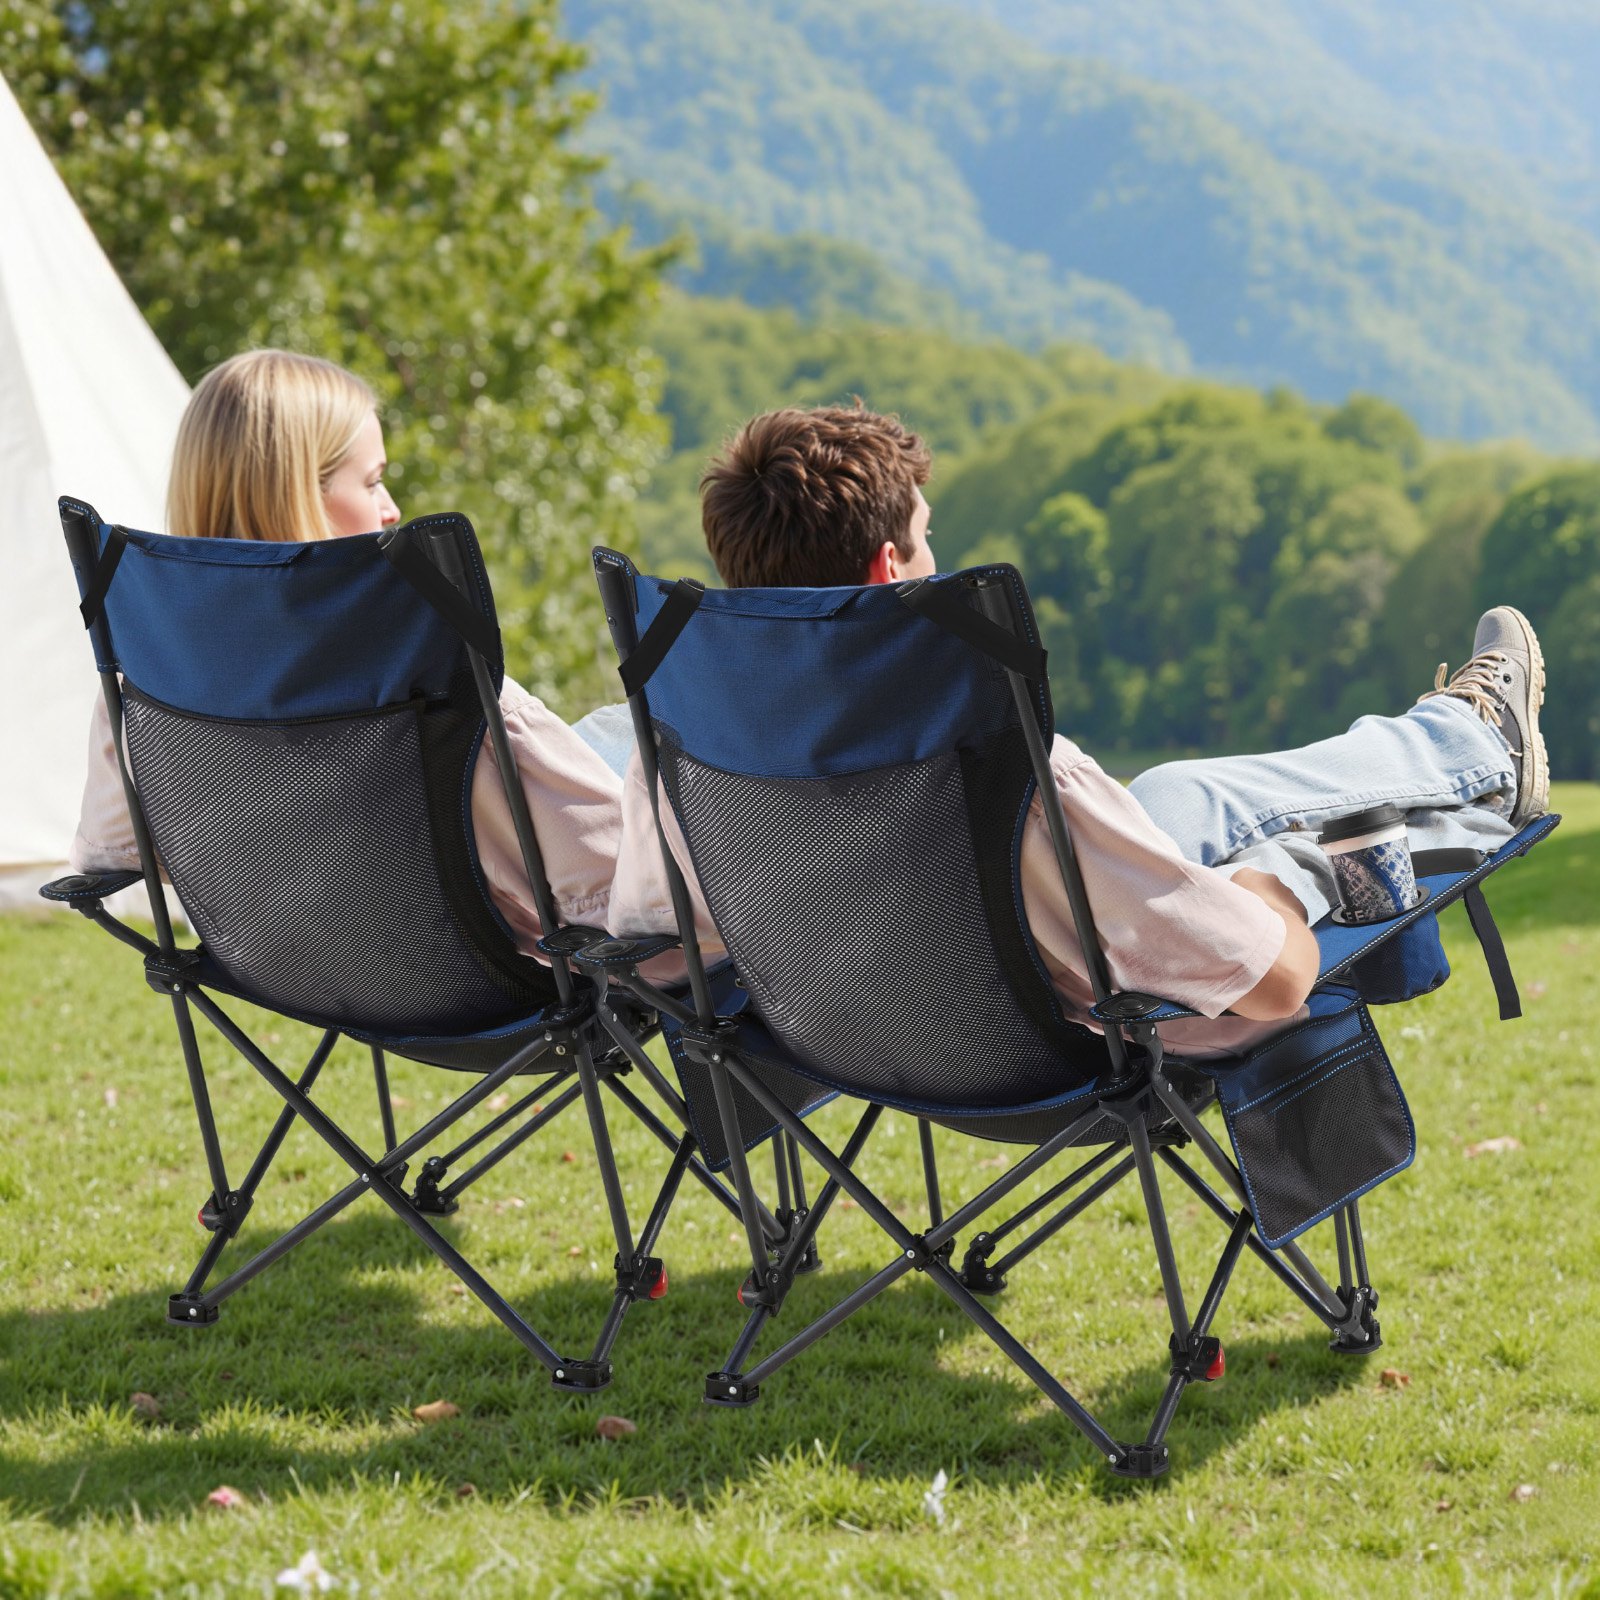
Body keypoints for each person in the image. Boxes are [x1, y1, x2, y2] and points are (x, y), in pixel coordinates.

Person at [606, 405, 1547, 1056]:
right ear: (892, 567)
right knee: (1252, 825)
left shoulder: (691, 744)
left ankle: (1454, 742)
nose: (941, 556)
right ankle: (1474, 747)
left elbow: (654, 941)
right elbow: (1274, 985)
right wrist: (1277, 887)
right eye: (931, 537)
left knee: (1186, 792)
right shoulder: (1001, 760)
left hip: (834, 1029)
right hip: (1054, 1037)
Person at [70, 348, 626, 951]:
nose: (391, 507)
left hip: (282, 964)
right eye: (372, 480)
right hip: (470, 978)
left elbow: (108, 852)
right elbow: (625, 887)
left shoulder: (151, 669)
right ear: (297, 491)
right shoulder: (426, 668)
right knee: (634, 744)